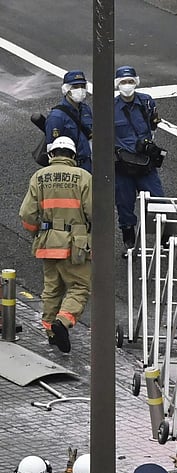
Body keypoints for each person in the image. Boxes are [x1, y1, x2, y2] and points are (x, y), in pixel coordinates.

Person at [19, 135, 93, 354]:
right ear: (73, 155)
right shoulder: (83, 177)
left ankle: (51, 332)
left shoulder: (39, 177)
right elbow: (94, 212)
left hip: (48, 240)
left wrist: (38, 233)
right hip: (76, 242)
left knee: (52, 289)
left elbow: (26, 215)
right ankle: (63, 320)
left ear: (51, 154)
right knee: (79, 286)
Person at [113, 65, 165, 250]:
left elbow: (153, 127)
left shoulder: (146, 102)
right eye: (123, 82)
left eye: (130, 81)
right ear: (118, 85)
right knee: (124, 204)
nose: (127, 85)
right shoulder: (110, 107)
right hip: (122, 166)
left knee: (159, 200)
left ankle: (166, 238)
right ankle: (129, 239)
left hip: (144, 164)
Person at [44, 70, 93, 173]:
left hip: (87, 165)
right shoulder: (57, 116)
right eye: (75, 87)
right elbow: (51, 149)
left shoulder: (86, 109)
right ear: (67, 89)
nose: (80, 89)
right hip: (69, 168)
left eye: (82, 86)